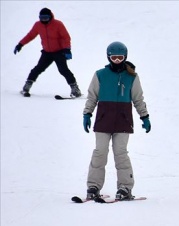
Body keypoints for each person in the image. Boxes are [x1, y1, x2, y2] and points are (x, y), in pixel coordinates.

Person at [82, 41, 151, 201]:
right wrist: (87, 113)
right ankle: (93, 187)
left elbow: (138, 99)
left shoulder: (131, 76)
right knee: (100, 152)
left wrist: (144, 116)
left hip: (123, 121)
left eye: (120, 57)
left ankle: (125, 188)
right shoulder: (100, 75)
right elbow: (92, 96)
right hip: (103, 120)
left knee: (121, 153)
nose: (117, 60)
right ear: (108, 57)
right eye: (114, 57)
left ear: (125, 57)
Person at [13, 7, 81, 97]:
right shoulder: (38, 25)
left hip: (59, 52)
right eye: (42, 18)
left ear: (50, 17)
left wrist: (67, 49)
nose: (44, 20)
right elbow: (30, 35)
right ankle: (27, 86)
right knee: (37, 69)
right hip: (47, 53)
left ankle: (75, 89)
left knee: (63, 70)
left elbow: (66, 37)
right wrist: (20, 44)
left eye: (46, 18)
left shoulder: (58, 24)